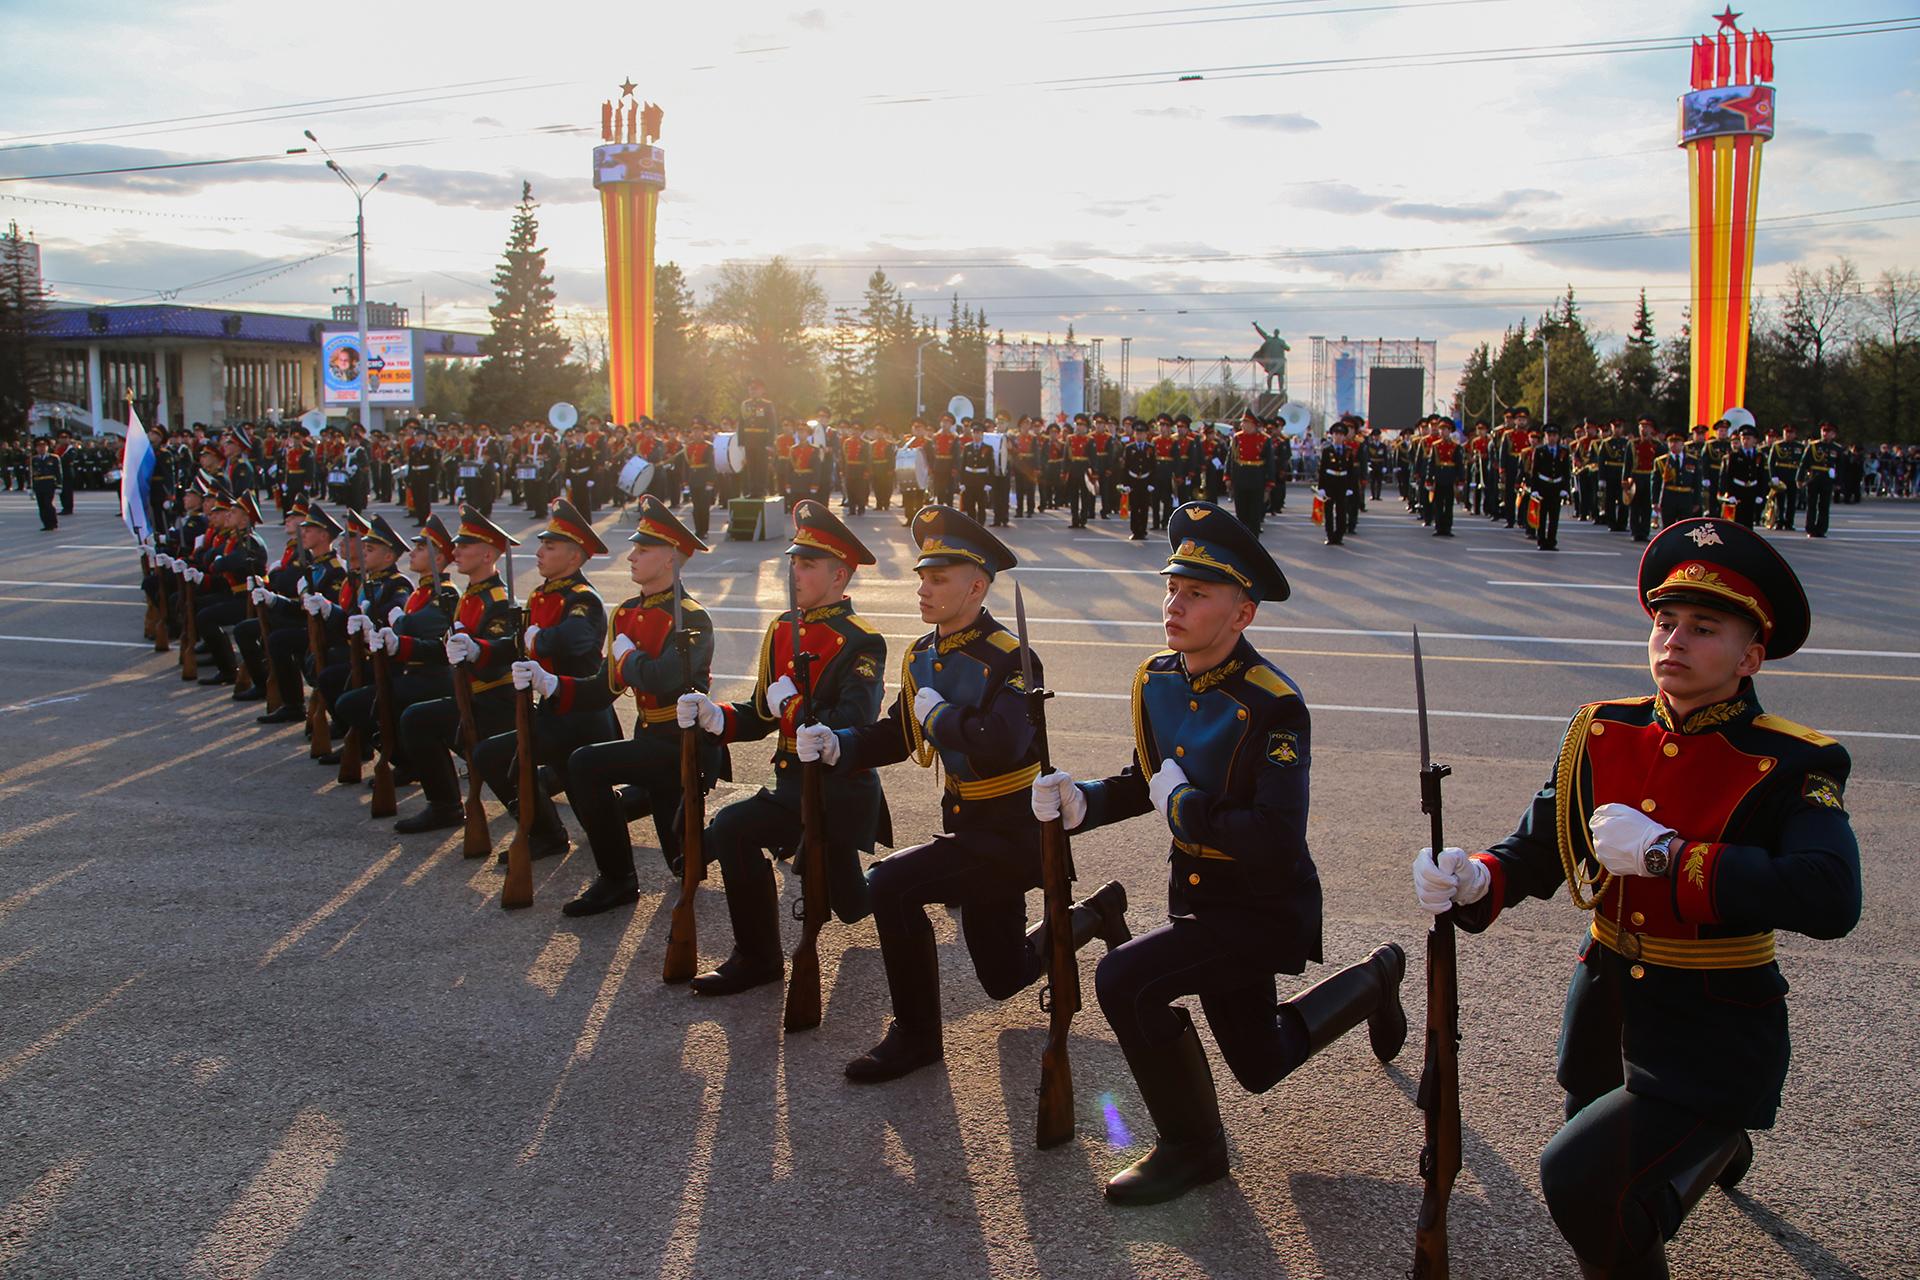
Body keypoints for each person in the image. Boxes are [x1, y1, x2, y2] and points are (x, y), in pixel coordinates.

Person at [1411, 516, 1860, 1278]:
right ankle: (1710, 1151)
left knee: (1584, 1182)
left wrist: (1669, 857)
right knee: (1601, 1144)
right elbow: (1542, 846)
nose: (1674, 640)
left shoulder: (1790, 761)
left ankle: (1714, 1139)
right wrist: (1479, 876)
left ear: (1751, 657)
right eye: (1665, 620)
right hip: (1606, 998)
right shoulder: (1602, 731)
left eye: (1704, 627)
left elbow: (1830, 896)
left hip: (1716, 1026)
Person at [1032, 502, 1405, 1205]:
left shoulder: (1274, 706)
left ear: (1243, 615)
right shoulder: (1156, 679)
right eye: (1172, 588)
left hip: (1262, 907)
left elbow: (1274, 838)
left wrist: (1185, 808)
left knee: (1124, 979)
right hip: (1199, 897)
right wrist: (1084, 802)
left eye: (1197, 594)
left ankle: (1193, 1150)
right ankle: (1374, 981)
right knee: (1261, 1061)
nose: (1174, 605)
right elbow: (1147, 778)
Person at [811, 505, 1128, 1082]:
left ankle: (915, 1037)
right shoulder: (922, 655)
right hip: (968, 824)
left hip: (1011, 831)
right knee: (1003, 975)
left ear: (976, 585)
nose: (924, 589)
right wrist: (840, 744)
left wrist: (942, 717)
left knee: (891, 883)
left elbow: (1002, 743)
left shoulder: (1012, 657)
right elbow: (897, 733)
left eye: (939, 579)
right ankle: (1096, 915)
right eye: (923, 578)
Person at [674, 499, 889, 994]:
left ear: (840, 577)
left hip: (836, 789)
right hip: (792, 783)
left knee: (846, 898)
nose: (794, 571)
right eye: (793, 561)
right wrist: (715, 716)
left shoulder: (860, 640)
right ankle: (760, 957)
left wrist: (793, 706)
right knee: (843, 895)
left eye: (808, 564)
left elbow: (851, 724)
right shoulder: (781, 629)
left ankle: (901, 881)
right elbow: (758, 715)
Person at [547, 497, 722, 917]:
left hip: (682, 746)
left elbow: (664, 677)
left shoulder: (692, 617)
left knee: (685, 865)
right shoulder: (625, 613)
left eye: (643, 551)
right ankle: (618, 879)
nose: (631, 556)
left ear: (671, 560)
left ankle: (623, 877)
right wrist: (552, 684)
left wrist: (627, 660)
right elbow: (602, 690)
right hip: (650, 741)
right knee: (681, 862)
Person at [468, 499, 615, 862]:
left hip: (579, 713)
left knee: (593, 805)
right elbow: (518, 642)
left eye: (550, 547)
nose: (539, 553)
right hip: (552, 712)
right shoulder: (542, 594)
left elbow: (575, 638)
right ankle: (547, 834)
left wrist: (538, 638)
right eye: (542, 545)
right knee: (496, 756)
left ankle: (606, 863)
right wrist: (478, 650)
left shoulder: (582, 598)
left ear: (574, 558)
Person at [393, 506, 520, 834]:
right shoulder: (470, 597)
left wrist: (474, 651)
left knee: (492, 762)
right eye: (457, 544)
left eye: (466, 546)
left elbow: (498, 659)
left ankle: (542, 825)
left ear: (489, 554)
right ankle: (445, 806)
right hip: (470, 695)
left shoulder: (498, 599)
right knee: (418, 720)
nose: (457, 551)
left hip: (496, 699)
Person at [340, 514, 459, 788]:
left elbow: (412, 628)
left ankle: (411, 763)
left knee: (361, 704)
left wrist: (395, 623)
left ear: (438, 559)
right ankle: (406, 761)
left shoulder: (446, 594)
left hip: (432, 678)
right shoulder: (421, 593)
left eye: (420, 549)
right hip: (408, 672)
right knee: (355, 698)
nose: (413, 553)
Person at [1529, 423, 1573, 550]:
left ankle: (1552, 541)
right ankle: (1541, 541)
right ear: (1545, 436)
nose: (1552, 438)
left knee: (1554, 517)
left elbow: (1566, 472)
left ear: (1558, 436)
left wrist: (1565, 489)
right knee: (1542, 516)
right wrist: (1534, 489)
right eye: (1549, 435)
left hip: (1556, 486)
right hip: (1543, 485)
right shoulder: (1540, 451)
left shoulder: (1563, 451)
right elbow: (1534, 471)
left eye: (1554, 435)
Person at [1797, 421, 1842, 538]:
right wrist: (1800, 478)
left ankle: (1822, 529)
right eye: (1824, 431)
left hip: (1827, 479)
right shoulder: (1813, 446)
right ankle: (1810, 528)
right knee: (1811, 504)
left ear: (1834, 434)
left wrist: (1838, 482)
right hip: (1814, 478)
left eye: (1829, 432)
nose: (1826, 434)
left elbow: (1841, 467)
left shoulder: (1837, 448)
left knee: (1824, 505)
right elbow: (1803, 463)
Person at [1317, 421, 1358, 545]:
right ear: (1332, 435)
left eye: (1341, 434)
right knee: (1328, 511)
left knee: (1341, 511)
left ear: (1344, 436)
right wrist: (1321, 487)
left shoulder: (1348, 451)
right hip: (1330, 482)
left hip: (1342, 483)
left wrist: (1350, 487)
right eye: (1336, 434)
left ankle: (1339, 536)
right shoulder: (1326, 450)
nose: (1338, 437)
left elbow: (1350, 470)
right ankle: (1330, 536)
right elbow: (1322, 470)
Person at [1719, 424, 1766, 529]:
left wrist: (1760, 494)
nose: (1745, 441)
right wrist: (1729, 494)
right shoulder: (1734, 456)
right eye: (1743, 438)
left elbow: (1762, 476)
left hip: (1752, 490)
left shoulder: (1759, 456)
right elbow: (1728, 476)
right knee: (1737, 521)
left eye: (1748, 439)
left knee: (1749, 521)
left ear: (1754, 440)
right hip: (1738, 491)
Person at [31, 437, 60, 530]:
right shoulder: (34, 459)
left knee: (48, 504)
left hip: (49, 484)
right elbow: (30, 474)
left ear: (47, 447)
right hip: (38, 484)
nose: (41, 448)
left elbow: (59, 472)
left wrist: (59, 485)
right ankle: (46, 524)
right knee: (41, 505)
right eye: (39, 446)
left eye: (44, 446)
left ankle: (53, 523)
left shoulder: (54, 458)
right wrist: (29, 487)